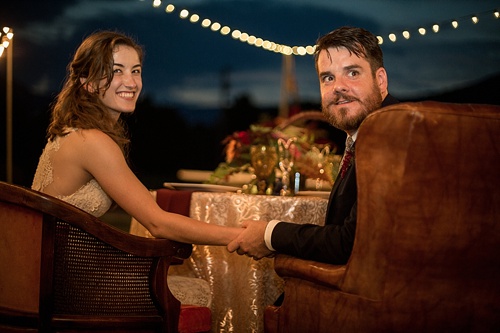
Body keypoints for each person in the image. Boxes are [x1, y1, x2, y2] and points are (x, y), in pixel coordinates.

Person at [32, 30, 242, 245]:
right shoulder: (92, 141)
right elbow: (158, 224)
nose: (131, 82)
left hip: (47, 261)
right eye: (116, 71)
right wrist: (241, 236)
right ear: (89, 82)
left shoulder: (79, 132)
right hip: (55, 270)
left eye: (136, 71)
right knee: (191, 280)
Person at [227, 26, 400, 264]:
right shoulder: (366, 133)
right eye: (328, 77)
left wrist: (270, 235)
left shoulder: (394, 134)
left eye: (352, 73)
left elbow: (351, 244)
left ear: (380, 80)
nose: (338, 86)